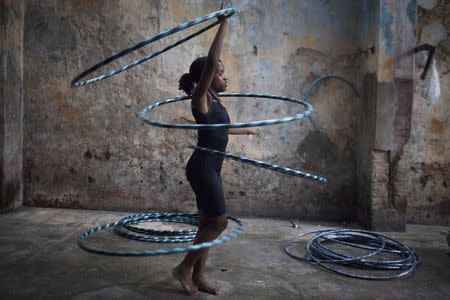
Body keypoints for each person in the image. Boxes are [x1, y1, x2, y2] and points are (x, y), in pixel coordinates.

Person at [172, 3, 258, 296]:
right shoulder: (200, 99)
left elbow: (219, 130)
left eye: (223, 72)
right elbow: (209, 63)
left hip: (212, 166)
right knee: (219, 222)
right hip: (202, 167)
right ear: (207, 78)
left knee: (206, 222)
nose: (225, 76)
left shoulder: (216, 101)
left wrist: (245, 129)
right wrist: (223, 24)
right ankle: (183, 268)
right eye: (220, 73)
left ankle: (199, 276)